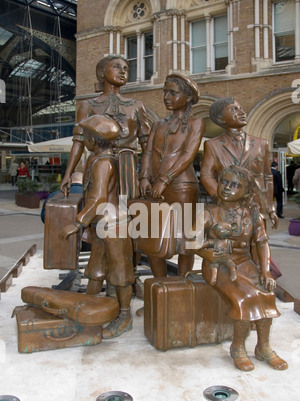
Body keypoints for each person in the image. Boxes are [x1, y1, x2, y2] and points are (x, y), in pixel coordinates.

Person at [193, 165, 288, 373]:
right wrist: (206, 253)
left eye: (235, 185)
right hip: (218, 265)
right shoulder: (208, 213)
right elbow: (191, 242)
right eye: (224, 182)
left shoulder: (252, 214)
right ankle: (237, 347)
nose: (227, 187)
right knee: (247, 295)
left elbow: (262, 243)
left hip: (245, 263)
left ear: (245, 192)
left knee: (267, 292)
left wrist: (265, 271)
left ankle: (263, 347)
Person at [59, 114, 135, 339]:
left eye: (86, 136)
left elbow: (99, 197)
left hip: (114, 224)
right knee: (96, 270)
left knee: (121, 274)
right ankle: (86, 311)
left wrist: (77, 222)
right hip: (103, 223)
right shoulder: (99, 158)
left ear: (94, 139)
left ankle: (124, 316)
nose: (84, 140)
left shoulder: (103, 163)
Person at [139, 72, 206, 277]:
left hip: (182, 187)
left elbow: (188, 155)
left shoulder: (196, 123)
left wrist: (165, 179)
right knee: (153, 236)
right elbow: (148, 151)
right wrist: (144, 176)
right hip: (154, 186)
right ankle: (160, 284)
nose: (167, 97)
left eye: (173, 93)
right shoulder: (158, 124)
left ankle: (184, 287)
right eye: (165, 92)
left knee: (186, 240)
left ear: (188, 97)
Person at [60, 55, 151, 199]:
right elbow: (78, 142)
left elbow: (147, 146)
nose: (123, 71)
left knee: (126, 211)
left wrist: (146, 176)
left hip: (127, 167)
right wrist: (68, 175)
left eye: (126, 69)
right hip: (97, 165)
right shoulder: (87, 105)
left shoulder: (136, 106)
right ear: (101, 72)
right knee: (97, 208)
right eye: (116, 67)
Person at [200, 97, 279, 230]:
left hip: (256, 206)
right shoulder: (213, 145)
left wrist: (270, 208)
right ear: (221, 119)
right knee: (229, 245)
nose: (242, 112)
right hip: (228, 208)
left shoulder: (261, 144)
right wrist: (220, 198)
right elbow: (206, 175)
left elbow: (267, 177)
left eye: (241, 108)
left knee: (259, 245)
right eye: (234, 109)